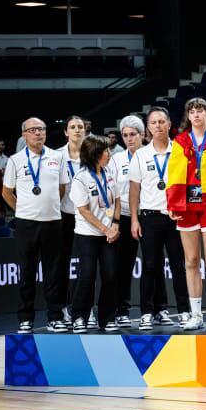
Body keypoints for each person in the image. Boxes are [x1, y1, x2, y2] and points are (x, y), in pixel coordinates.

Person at [167, 98, 206, 330]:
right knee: (191, 261)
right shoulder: (180, 141)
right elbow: (173, 174)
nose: (196, 115)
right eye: (192, 111)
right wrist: (173, 204)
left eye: (200, 111)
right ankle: (196, 315)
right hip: (188, 206)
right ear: (188, 116)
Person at [3, 119, 66, 333]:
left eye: (41, 130)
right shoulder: (15, 160)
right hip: (26, 224)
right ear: (24, 135)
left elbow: (61, 188)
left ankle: (55, 317)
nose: (38, 133)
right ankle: (25, 318)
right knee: (27, 273)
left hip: (52, 223)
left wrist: (48, 206)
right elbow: (6, 192)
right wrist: (22, 209)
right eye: (33, 130)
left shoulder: (57, 157)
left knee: (53, 272)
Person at [129, 107, 187, 331]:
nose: (158, 126)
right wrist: (134, 219)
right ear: (148, 127)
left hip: (176, 218)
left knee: (178, 267)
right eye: (154, 122)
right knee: (150, 266)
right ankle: (146, 312)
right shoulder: (141, 155)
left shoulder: (181, 151)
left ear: (170, 124)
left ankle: (183, 312)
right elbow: (135, 190)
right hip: (149, 218)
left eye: (162, 121)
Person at [68, 134, 119, 333]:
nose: (109, 153)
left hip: (109, 234)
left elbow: (117, 200)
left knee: (110, 275)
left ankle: (107, 317)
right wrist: (105, 228)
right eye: (105, 150)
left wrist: (115, 224)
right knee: (87, 276)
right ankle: (79, 316)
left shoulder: (109, 173)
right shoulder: (81, 178)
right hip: (87, 234)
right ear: (94, 154)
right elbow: (84, 210)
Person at [111, 115, 147, 328]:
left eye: (132, 134)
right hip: (125, 215)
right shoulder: (116, 159)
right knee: (123, 266)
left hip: (149, 214)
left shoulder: (152, 153)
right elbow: (114, 192)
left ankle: (155, 309)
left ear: (142, 134)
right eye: (125, 135)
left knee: (153, 264)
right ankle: (121, 309)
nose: (128, 139)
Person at [56, 115, 86, 328]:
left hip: (88, 218)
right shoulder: (56, 156)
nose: (77, 130)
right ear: (66, 132)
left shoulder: (92, 154)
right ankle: (64, 308)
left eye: (80, 127)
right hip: (65, 216)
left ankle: (86, 309)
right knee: (61, 264)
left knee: (88, 266)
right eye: (73, 127)